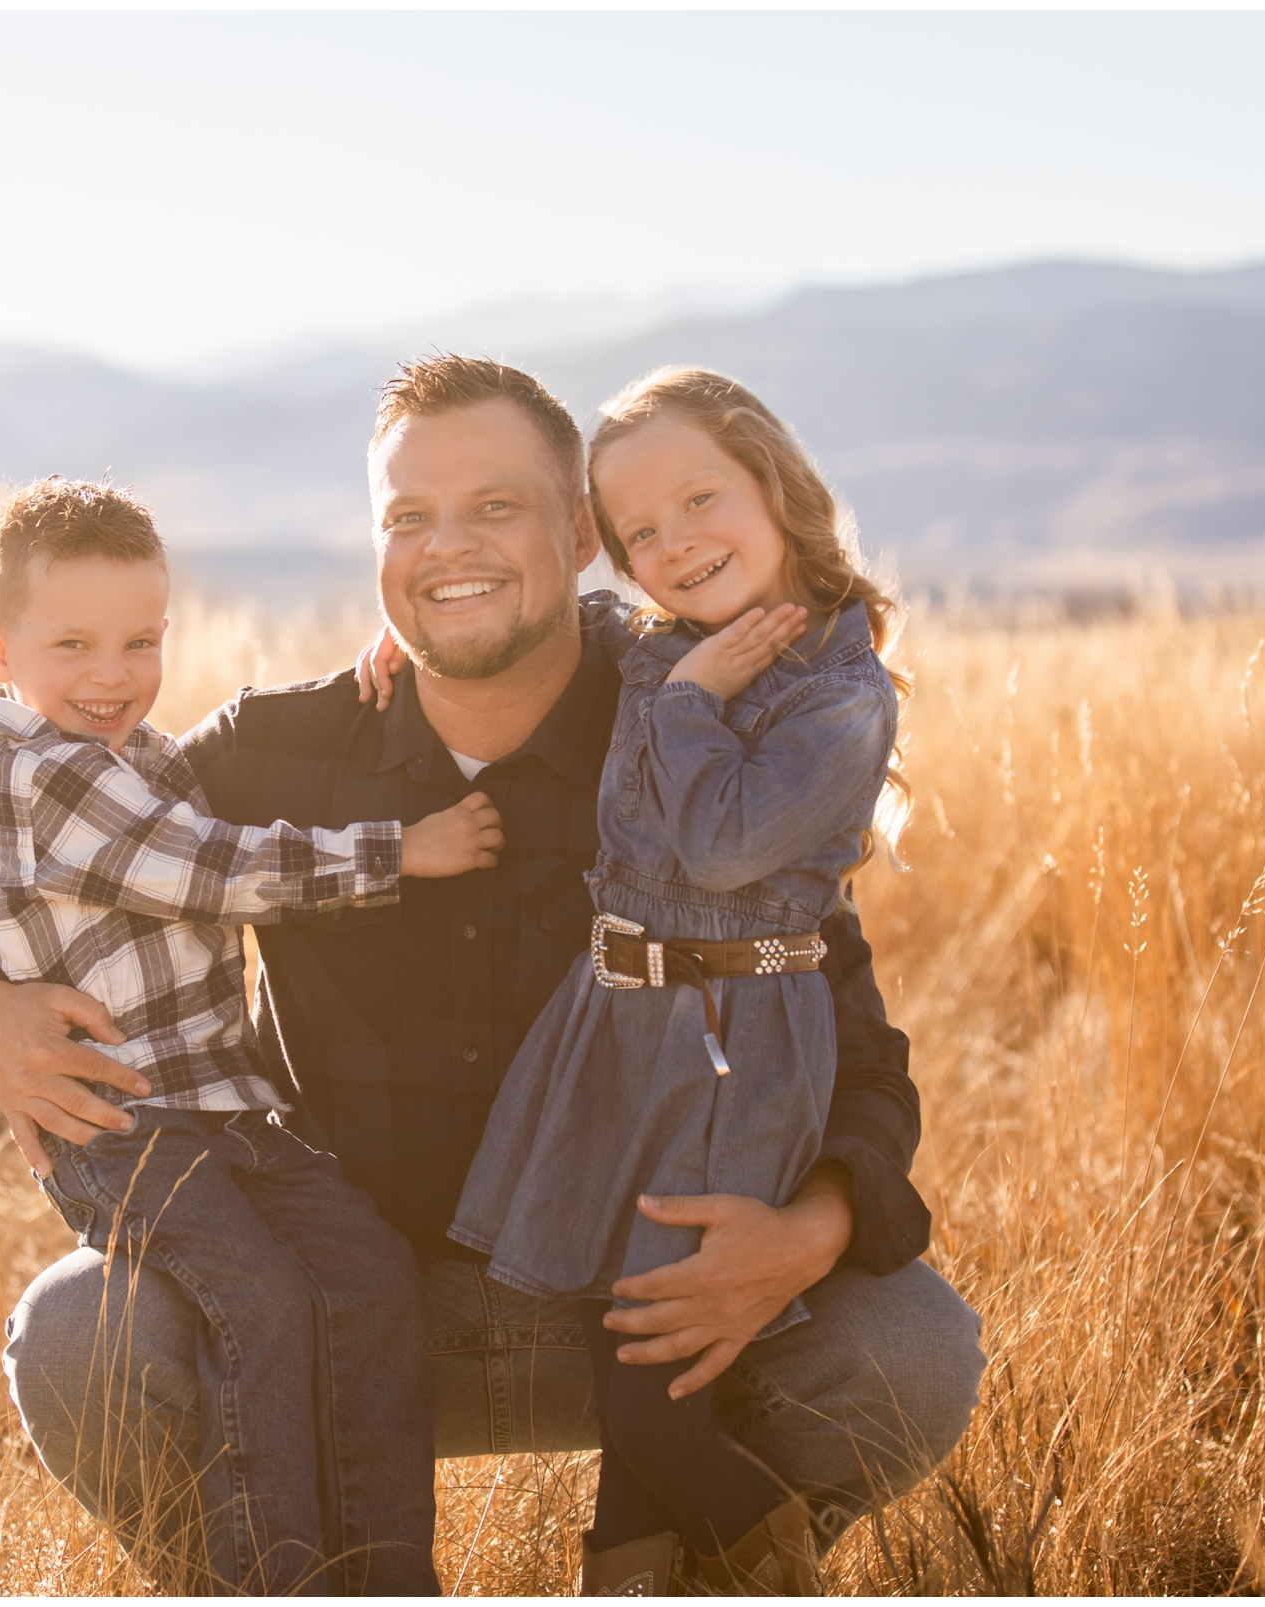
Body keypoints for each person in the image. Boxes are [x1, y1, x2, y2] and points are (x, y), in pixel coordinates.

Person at [0, 356, 986, 1595]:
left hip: (652, 1316)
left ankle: (693, 1570)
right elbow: (75, 853)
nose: (447, 547)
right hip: (342, 1314)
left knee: (909, 1343)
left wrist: (811, 1229)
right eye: (409, 516)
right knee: (84, 1335)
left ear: (580, 534)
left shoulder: (692, 731)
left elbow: (857, 1050)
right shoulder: (278, 749)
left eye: (496, 508)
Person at [0, 476, 506, 1593]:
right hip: (126, 1122)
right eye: (74, 644)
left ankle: (386, 1578)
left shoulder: (137, 756)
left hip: (229, 1111)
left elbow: (230, 773)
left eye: (141, 640)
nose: (112, 675)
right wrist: (403, 848)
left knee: (365, 1274)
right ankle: (276, 1579)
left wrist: (387, 668)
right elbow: (217, 864)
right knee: (257, 1298)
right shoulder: (40, 775)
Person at [442, 365, 905, 1593]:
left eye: (700, 497)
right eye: (641, 531)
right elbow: (508, 618)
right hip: (615, 1037)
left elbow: (721, 844)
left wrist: (697, 703)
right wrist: (404, 643)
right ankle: (629, 1577)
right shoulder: (660, 643)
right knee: (626, 1366)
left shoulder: (840, 696)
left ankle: (780, 1567)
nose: (675, 543)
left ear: (776, 481)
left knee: (656, 1384)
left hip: (725, 1042)